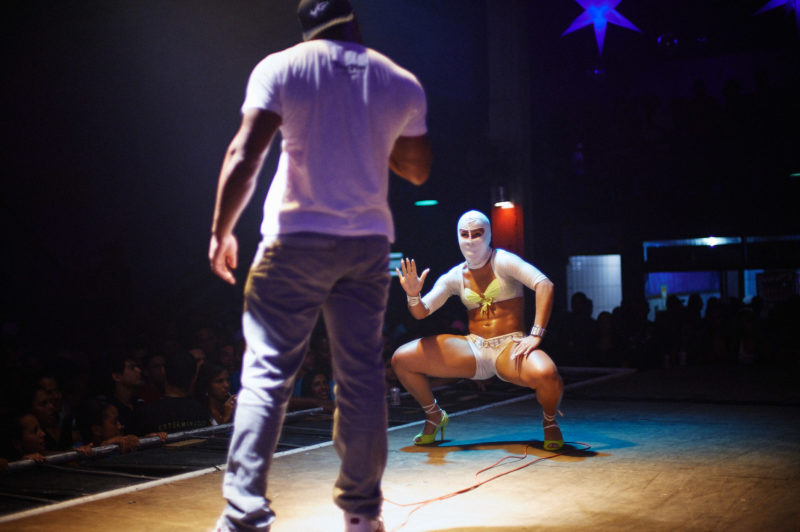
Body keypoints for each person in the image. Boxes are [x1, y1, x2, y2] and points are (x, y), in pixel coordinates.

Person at [208, 1, 431, 530]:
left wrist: (221, 230)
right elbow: (417, 170)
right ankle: (362, 517)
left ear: (306, 30)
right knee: (361, 380)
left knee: (266, 375)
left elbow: (245, 155)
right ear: (355, 23)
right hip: (366, 245)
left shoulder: (282, 66)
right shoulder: (399, 80)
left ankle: (243, 518)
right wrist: (370, 133)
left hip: (294, 239)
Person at [392, 210, 564, 450]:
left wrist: (536, 334)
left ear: (489, 234)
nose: (470, 240)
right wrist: (413, 295)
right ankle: (434, 414)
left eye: (477, 233)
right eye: (464, 234)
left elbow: (544, 284)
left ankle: (549, 420)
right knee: (401, 359)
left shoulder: (503, 261)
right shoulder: (455, 276)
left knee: (547, 374)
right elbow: (421, 312)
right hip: (474, 347)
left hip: (509, 347)